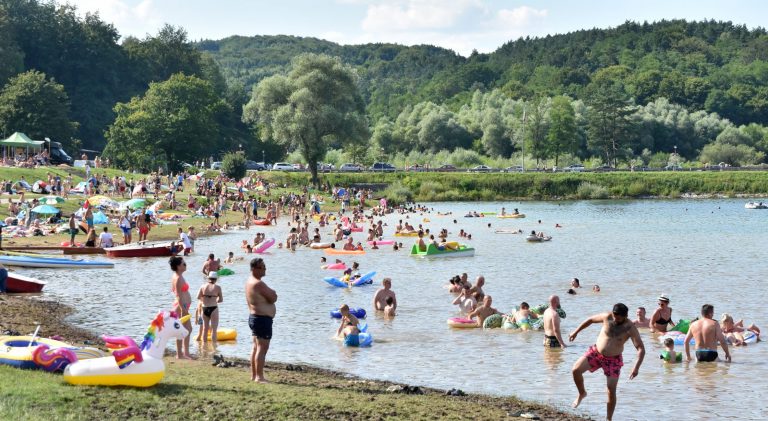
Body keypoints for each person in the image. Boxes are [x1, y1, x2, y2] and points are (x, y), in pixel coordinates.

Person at [569, 303, 645, 421]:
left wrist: (636, 367)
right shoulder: (607, 317)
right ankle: (582, 393)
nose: (615, 318)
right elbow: (590, 320)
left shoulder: (630, 328)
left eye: (618, 317)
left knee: (611, 390)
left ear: (625, 316)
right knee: (575, 370)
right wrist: (576, 331)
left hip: (613, 360)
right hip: (596, 353)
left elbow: (641, 348)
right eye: (614, 315)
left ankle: (608, 419)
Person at [245, 258, 277, 383]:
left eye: (264, 266)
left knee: (256, 347)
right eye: (262, 267)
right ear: (254, 269)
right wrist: (273, 293)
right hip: (261, 319)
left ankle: (254, 375)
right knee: (262, 348)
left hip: (256, 318)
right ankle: (259, 377)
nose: (265, 269)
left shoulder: (250, 281)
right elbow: (273, 297)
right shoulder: (258, 283)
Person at [169, 256, 193, 359]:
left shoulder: (176, 275)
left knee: (186, 329)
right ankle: (182, 354)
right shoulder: (178, 278)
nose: (185, 265)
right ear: (178, 266)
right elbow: (178, 295)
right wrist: (184, 309)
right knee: (185, 329)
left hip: (182, 305)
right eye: (184, 264)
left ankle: (184, 353)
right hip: (181, 306)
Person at [197, 272, 223, 342]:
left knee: (205, 329)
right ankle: (214, 349)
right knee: (214, 330)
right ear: (216, 279)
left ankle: (204, 348)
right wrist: (215, 300)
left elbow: (198, 297)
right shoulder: (218, 287)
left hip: (204, 308)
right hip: (213, 308)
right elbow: (221, 300)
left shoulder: (203, 286)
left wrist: (204, 300)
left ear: (208, 278)